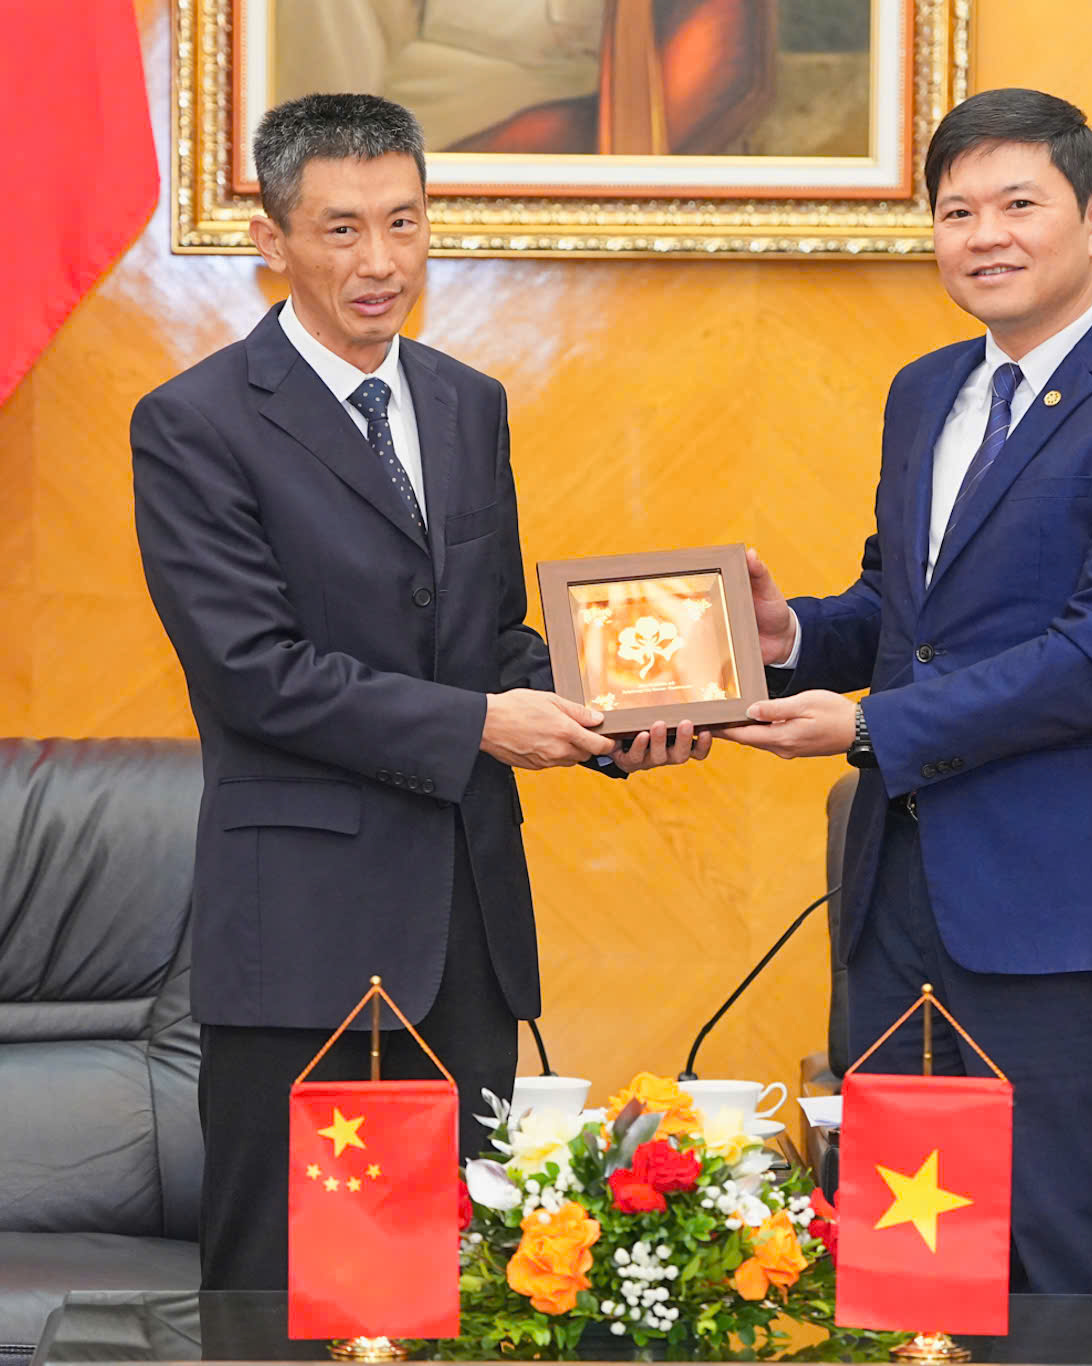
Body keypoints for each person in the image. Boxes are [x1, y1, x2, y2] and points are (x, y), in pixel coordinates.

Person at [130, 92, 706, 1291]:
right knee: (288, 1290)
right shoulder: (195, 424)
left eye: (403, 221)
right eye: (340, 229)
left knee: (457, 1287)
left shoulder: (463, 401)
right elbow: (253, 674)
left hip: (462, 933)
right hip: (302, 934)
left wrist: (624, 717)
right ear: (271, 239)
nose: (380, 262)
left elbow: (488, 641)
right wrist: (483, 725)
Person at [723, 87, 1092, 1294]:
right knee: (907, 1265)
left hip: (1056, 909)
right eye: (955, 211)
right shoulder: (925, 390)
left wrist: (868, 725)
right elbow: (906, 616)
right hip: (896, 896)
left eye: (1018, 204)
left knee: (1073, 1256)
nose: (984, 236)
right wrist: (791, 633)